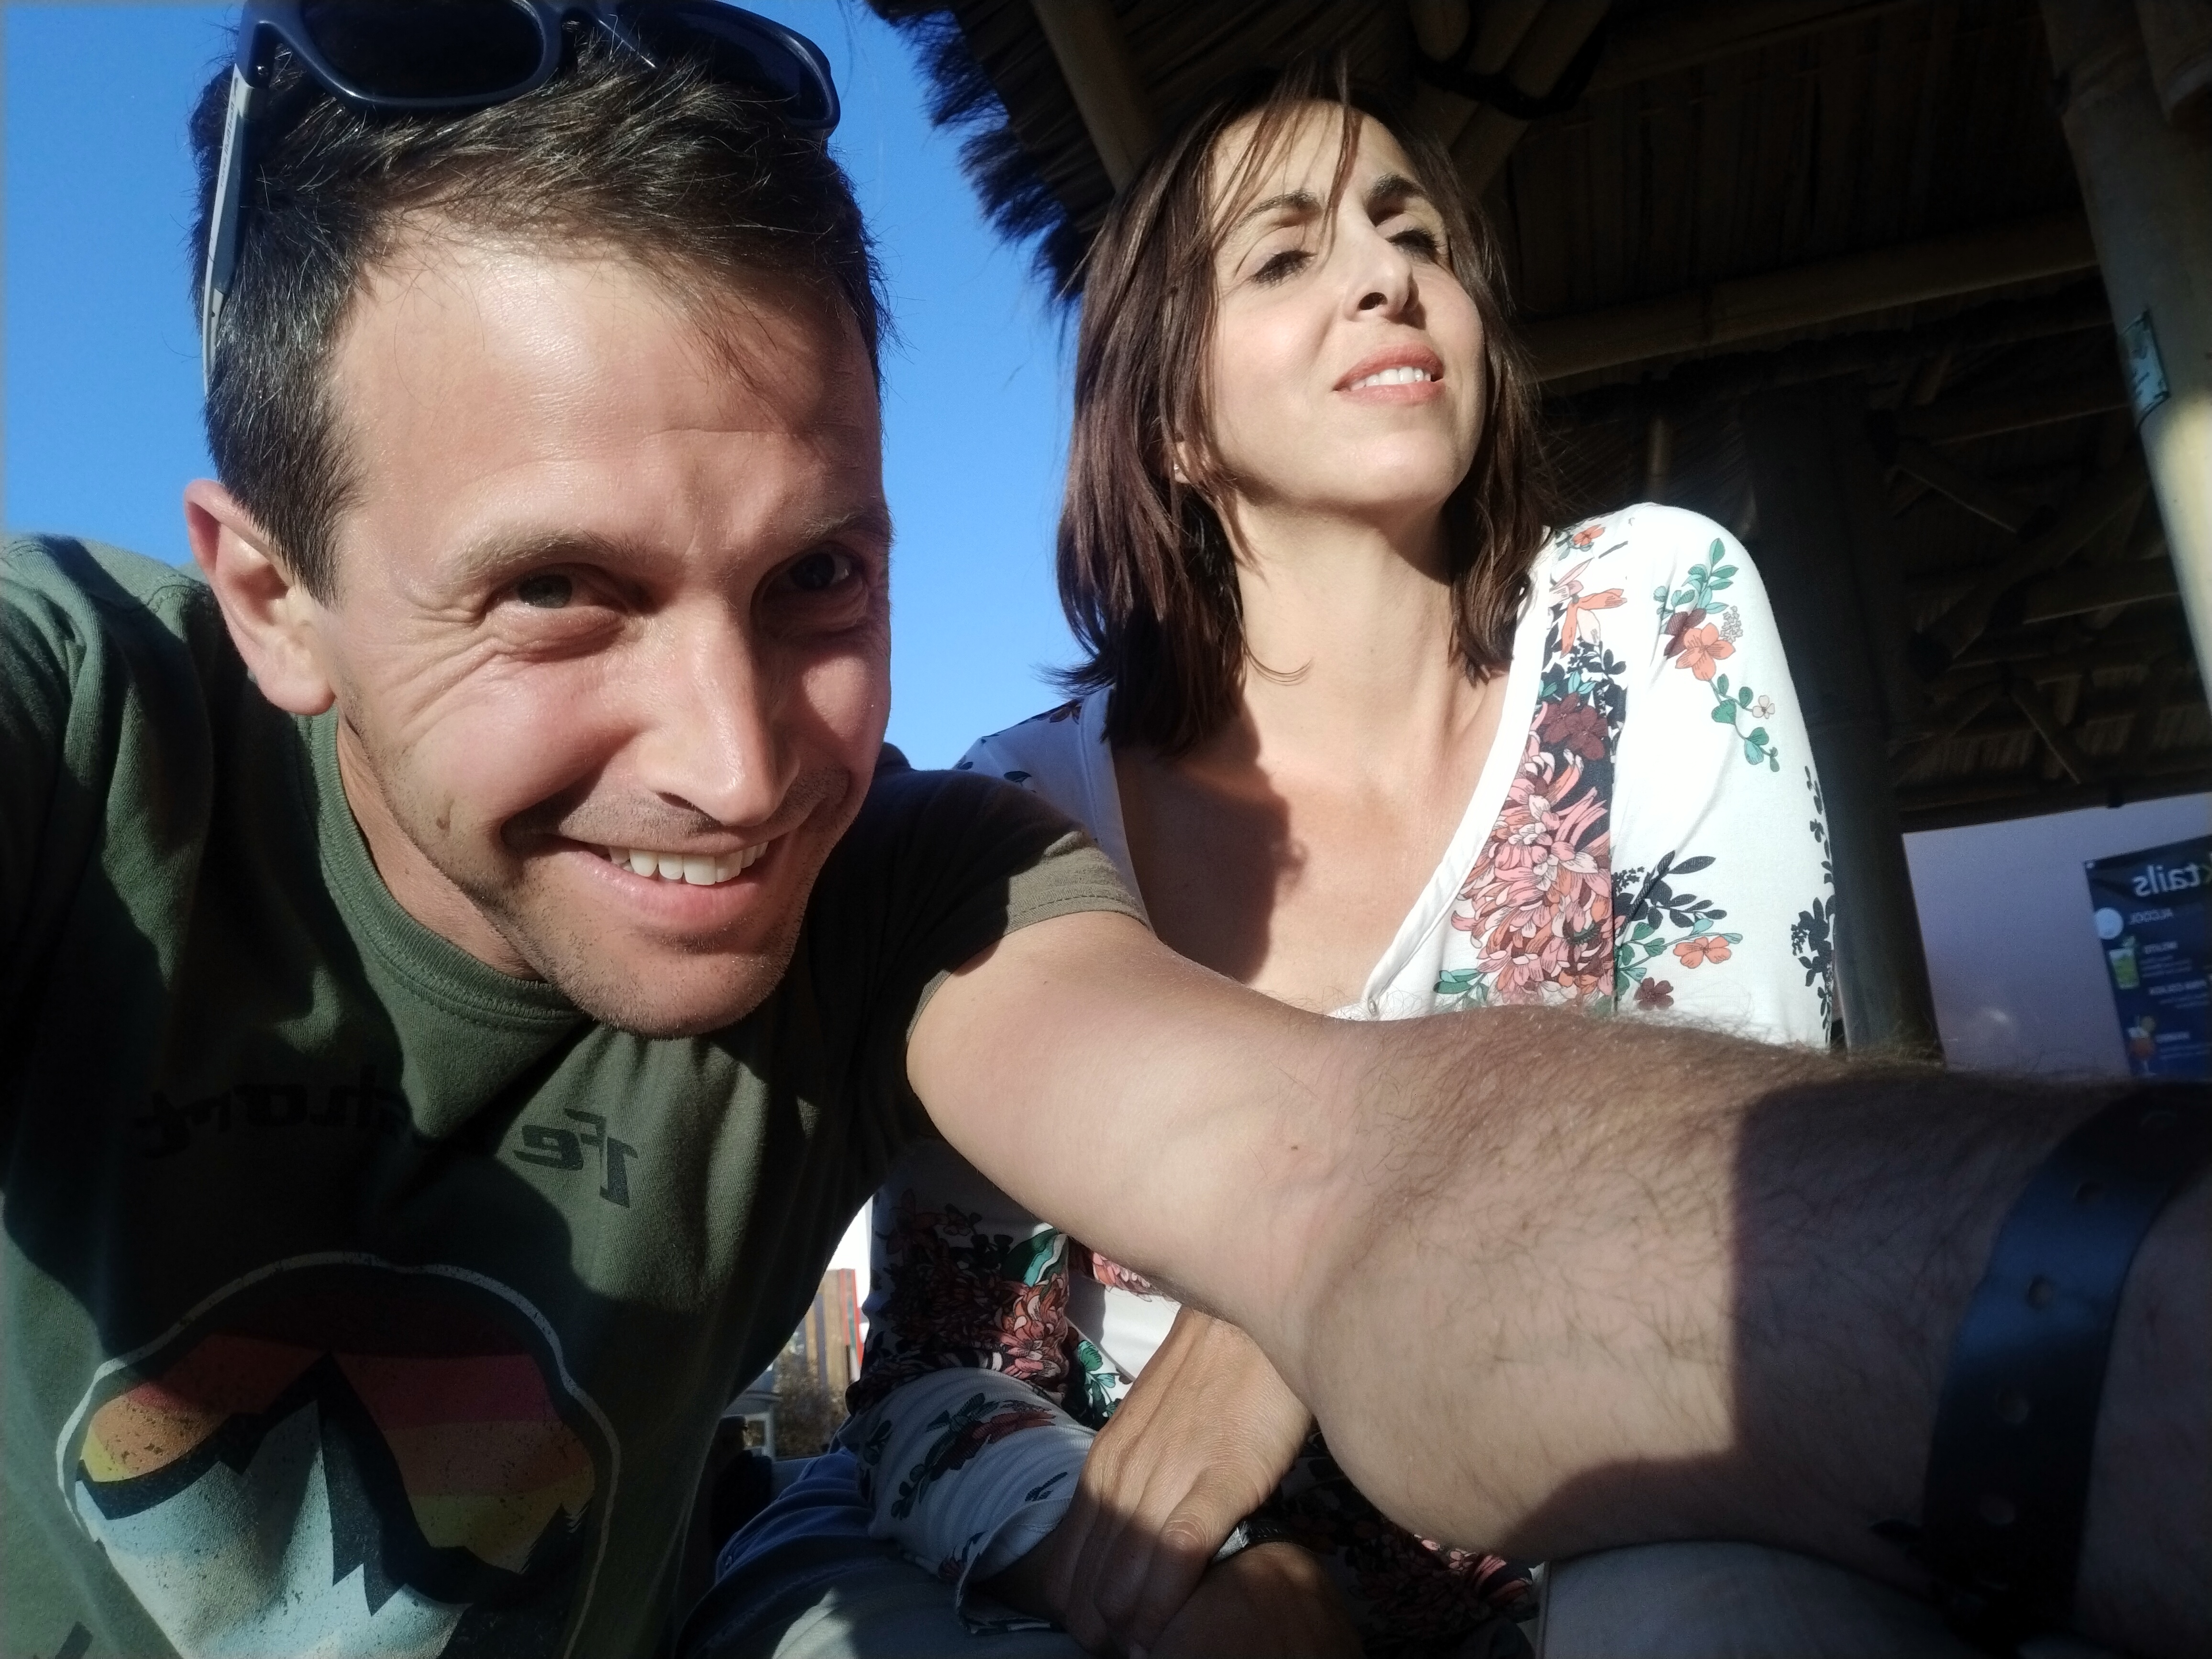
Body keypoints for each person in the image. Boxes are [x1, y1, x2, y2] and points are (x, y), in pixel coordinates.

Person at [1, 10, 2203, 1659]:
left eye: (819, 580)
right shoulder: (87, 734)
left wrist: (2120, 1312)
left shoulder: (914, 880)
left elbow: (1341, 1167)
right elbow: (961, 1381)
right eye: (559, 593)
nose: (741, 768)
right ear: (268, 592)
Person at [704, 60, 1837, 1659]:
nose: (1387, 276)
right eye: (1288, 254)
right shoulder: (1023, 816)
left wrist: (1308, 1283)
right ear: (1171, 418)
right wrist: (1188, 1582)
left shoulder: (1648, 625)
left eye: (1414, 234)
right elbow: (946, 1374)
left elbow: (1757, 1194)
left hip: (1609, 1543)